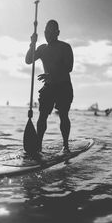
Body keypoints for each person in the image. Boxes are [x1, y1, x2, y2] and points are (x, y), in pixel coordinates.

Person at [25, 19, 74, 153]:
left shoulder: (65, 47)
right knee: (42, 116)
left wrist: (51, 74)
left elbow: (69, 67)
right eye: (46, 31)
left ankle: (65, 145)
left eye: (51, 32)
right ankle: (38, 146)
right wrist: (32, 44)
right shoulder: (42, 49)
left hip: (63, 86)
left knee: (63, 115)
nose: (48, 34)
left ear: (57, 32)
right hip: (49, 87)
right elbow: (28, 60)